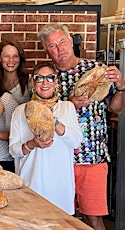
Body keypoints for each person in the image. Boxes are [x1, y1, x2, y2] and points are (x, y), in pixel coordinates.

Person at [38, 23, 125, 229]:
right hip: (57, 159)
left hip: (91, 156)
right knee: (57, 218)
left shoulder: (96, 71)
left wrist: (121, 87)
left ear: (70, 41)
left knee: (92, 218)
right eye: (52, 46)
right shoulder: (45, 77)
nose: (59, 49)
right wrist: (68, 103)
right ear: (47, 50)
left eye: (62, 42)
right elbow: (38, 114)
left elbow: (116, 108)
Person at [9, 61, 83, 215]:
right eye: (39, 78)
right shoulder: (20, 111)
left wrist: (53, 121)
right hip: (31, 183)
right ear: (32, 82)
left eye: (50, 78)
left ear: (56, 82)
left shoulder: (67, 107)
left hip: (60, 187)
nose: (44, 82)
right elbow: (14, 151)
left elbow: (76, 141)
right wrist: (32, 144)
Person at [0, 40, 31, 104]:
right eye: (6, 56)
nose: (11, 60)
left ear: (20, 58)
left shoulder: (29, 81)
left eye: (15, 56)